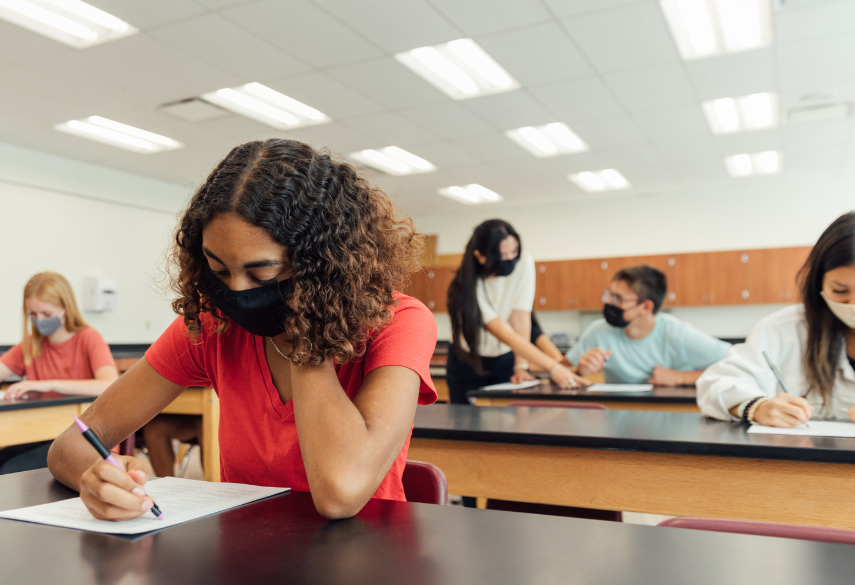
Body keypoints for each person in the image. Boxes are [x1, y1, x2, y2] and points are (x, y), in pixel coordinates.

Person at [47, 139, 438, 521]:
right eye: (218, 270)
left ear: (321, 267)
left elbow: (341, 493)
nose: (235, 291)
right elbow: (72, 444)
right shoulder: (213, 325)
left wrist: (305, 329)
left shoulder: (400, 323)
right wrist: (97, 478)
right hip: (245, 560)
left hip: (366, 565)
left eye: (261, 272)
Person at [699, 211, 855, 426]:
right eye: (839, 290)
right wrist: (756, 407)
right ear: (819, 282)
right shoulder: (781, 328)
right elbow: (716, 385)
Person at [0, 271, 118, 478]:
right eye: (33, 314)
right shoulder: (31, 345)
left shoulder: (88, 338)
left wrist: (48, 384)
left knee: (10, 473)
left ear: (65, 308)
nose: (39, 320)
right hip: (42, 434)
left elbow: (109, 384)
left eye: (46, 314)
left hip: (86, 439)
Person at [445, 220, 583, 404]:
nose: (510, 259)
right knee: (464, 421)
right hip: (467, 359)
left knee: (505, 418)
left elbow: (520, 319)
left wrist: (521, 366)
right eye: (502, 255)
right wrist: (553, 368)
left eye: (514, 251)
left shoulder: (524, 262)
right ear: (480, 256)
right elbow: (503, 331)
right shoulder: (467, 286)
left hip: (504, 357)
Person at [568, 265, 731, 385]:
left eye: (618, 298)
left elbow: (738, 364)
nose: (609, 302)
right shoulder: (598, 332)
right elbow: (559, 372)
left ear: (646, 307)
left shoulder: (677, 333)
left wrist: (680, 377)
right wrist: (579, 371)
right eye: (609, 295)